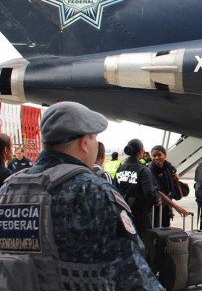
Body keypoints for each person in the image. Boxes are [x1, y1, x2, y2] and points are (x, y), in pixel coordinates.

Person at [0, 101, 163, 290]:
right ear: (84, 143)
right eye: (94, 139)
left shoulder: (7, 191)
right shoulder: (93, 192)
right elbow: (134, 277)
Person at [115, 139, 162, 232]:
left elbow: (115, 188)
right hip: (140, 216)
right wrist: (157, 200)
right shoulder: (143, 170)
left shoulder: (120, 168)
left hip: (122, 214)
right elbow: (149, 192)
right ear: (141, 152)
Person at [149, 145, 189, 227]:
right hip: (156, 209)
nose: (156, 158)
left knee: (165, 230)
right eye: (154, 156)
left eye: (159, 155)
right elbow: (158, 192)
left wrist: (175, 179)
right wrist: (176, 207)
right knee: (156, 231)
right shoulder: (150, 171)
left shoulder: (169, 168)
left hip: (166, 208)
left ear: (165, 155)